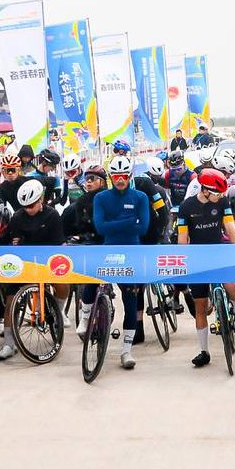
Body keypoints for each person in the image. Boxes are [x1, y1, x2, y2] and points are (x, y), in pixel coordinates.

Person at [91, 156, 151, 369]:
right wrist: (129, 221)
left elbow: (143, 228)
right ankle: (86, 319)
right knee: (90, 285)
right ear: (110, 176)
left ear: (130, 176)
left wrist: (114, 223)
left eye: (124, 176)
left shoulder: (140, 197)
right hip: (108, 250)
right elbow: (100, 228)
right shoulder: (101, 197)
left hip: (132, 252)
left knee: (130, 300)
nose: (120, 180)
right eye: (116, 176)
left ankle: (126, 350)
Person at [176, 167, 235, 367]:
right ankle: (204, 351)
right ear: (204, 190)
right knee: (200, 307)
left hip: (218, 252)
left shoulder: (222, 202)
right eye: (216, 193)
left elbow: (230, 227)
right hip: (197, 257)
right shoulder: (186, 206)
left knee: (231, 286)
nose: (220, 196)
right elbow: (182, 237)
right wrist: (184, 261)